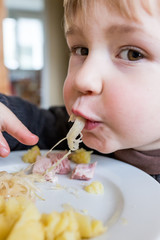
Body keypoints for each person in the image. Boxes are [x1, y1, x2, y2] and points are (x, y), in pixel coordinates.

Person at [0, 0, 160, 182]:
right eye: (82, 50)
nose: (83, 79)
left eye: (133, 54)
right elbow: (30, 124)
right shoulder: (69, 132)